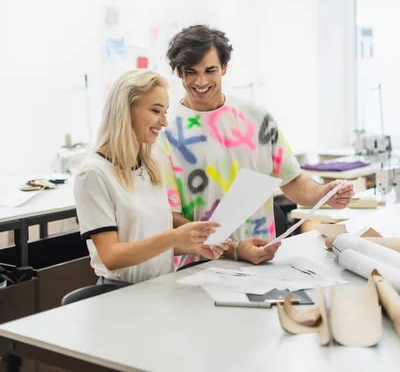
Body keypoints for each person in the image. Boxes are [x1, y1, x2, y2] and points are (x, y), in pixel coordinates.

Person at [161, 24, 354, 266]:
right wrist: (234, 249)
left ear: (224, 68)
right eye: (191, 72)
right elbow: (170, 218)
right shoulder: (165, 131)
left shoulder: (256, 118)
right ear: (178, 73)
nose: (201, 81)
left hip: (261, 262)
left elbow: (292, 181)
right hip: (199, 267)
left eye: (210, 70)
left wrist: (322, 194)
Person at [74, 69, 227, 287]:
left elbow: (147, 243)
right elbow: (112, 256)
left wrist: (191, 245)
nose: (164, 122)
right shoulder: (93, 174)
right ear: (126, 111)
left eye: (165, 111)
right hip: (120, 293)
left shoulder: (152, 164)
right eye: (156, 111)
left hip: (159, 287)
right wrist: (175, 237)